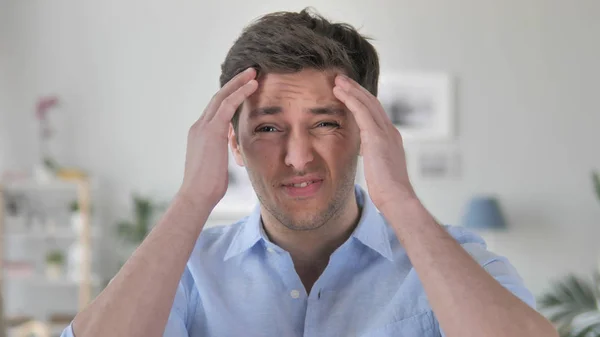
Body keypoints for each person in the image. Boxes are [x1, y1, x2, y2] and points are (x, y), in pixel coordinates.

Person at [62, 8, 558, 337]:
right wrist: (193, 199)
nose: (298, 157)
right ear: (233, 142)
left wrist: (401, 201)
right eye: (269, 127)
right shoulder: (186, 274)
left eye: (324, 123)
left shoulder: (461, 263)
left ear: (368, 131)